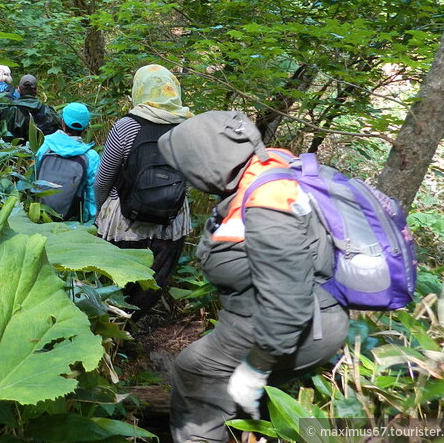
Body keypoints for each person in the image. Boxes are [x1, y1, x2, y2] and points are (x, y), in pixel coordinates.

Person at [156, 110, 349, 443]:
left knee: (197, 373)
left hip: (292, 323)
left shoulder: (268, 204)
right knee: (234, 393)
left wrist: (257, 367)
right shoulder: (271, 167)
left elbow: (288, 302)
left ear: (206, 161)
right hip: (312, 318)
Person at [94, 64, 193, 317]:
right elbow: (191, 177)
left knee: (117, 284)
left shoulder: (126, 126)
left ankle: (114, 332)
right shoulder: (189, 128)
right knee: (152, 283)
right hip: (171, 222)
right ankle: (134, 325)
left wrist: (100, 211)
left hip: (124, 221)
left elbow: (104, 179)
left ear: (139, 90)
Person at [34, 102, 100, 222]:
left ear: (63, 122)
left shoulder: (46, 146)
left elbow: (34, 176)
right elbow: (92, 196)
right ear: (86, 127)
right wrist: (90, 223)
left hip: (42, 216)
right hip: (74, 223)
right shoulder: (90, 157)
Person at [0, 74, 60, 143]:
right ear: (36, 90)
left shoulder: (11, 110)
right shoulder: (47, 109)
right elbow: (60, 127)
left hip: (20, 151)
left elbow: (6, 135)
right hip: (44, 151)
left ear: (18, 89)